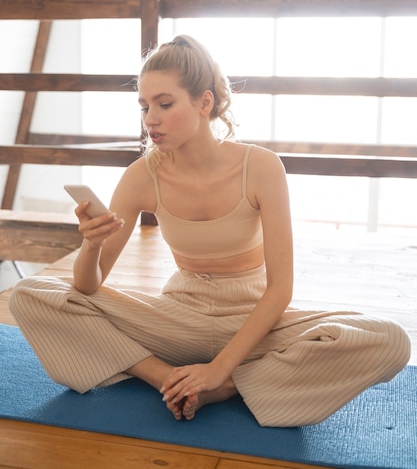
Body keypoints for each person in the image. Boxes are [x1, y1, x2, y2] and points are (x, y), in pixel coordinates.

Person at [9, 35, 410, 427]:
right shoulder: (141, 176)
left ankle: (227, 386)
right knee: (31, 294)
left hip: (253, 321)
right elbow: (87, 288)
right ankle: (167, 379)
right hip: (178, 319)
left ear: (205, 102)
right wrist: (91, 245)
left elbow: (280, 290)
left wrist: (219, 372)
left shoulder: (262, 167)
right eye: (145, 106)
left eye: (165, 104)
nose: (151, 119)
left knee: (389, 339)